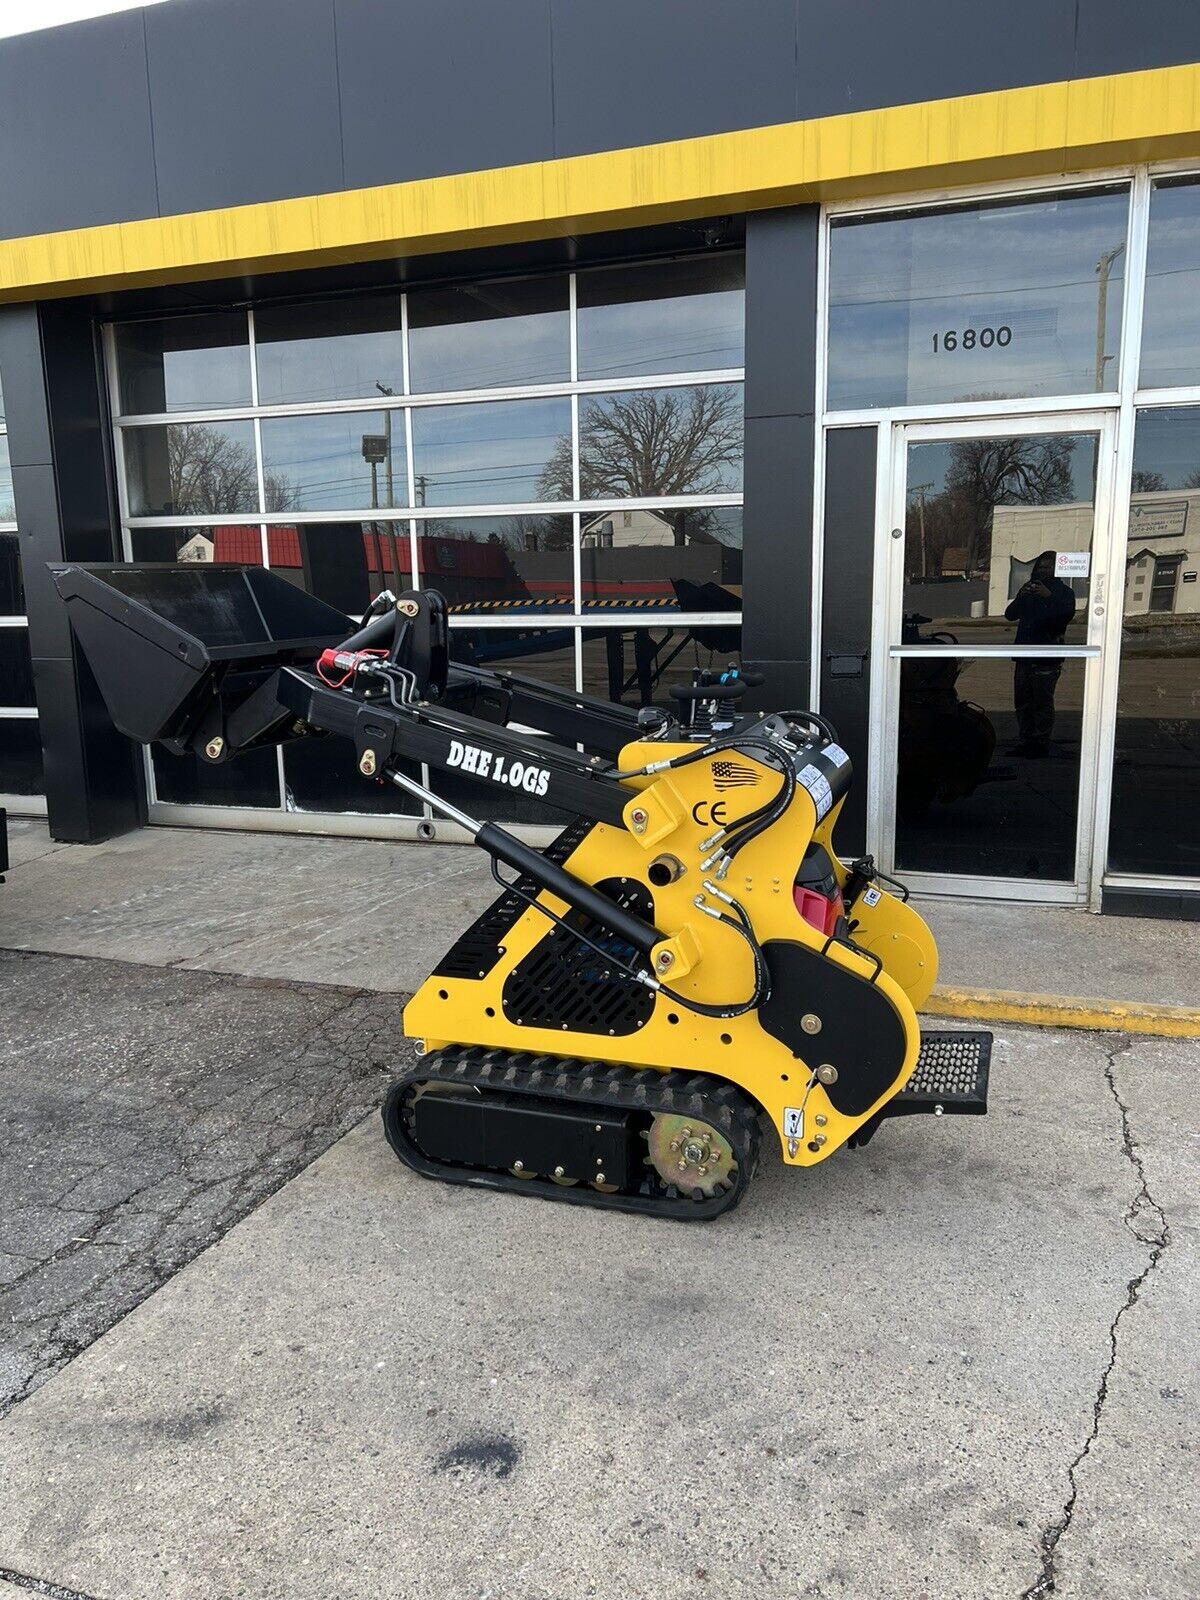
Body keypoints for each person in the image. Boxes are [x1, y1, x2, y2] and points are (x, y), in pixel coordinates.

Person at [1003, 550, 1077, 758]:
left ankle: (1041, 742)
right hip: (1025, 655)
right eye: (1040, 567)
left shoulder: (1064, 593)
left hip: (1047, 656)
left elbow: (1062, 618)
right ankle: (1026, 740)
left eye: (1048, 567)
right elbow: (1010, 615)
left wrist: (1048, 597)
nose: (1043, 572)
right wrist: (1022, 597)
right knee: (1023, 701)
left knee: (1042, 702)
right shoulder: (1029, 590)